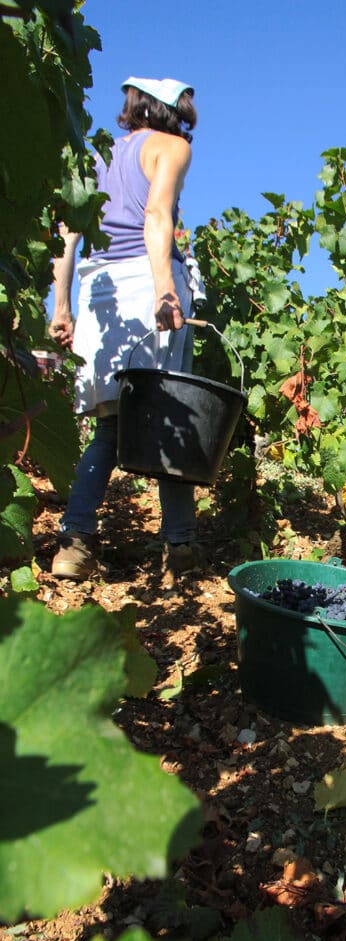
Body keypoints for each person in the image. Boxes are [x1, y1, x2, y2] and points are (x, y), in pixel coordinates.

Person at [49, 76, 200, 582]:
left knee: (110, 425)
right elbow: (156, 214)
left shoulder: (96, 155)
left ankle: (74, 542)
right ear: (170, 110)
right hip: (144, 280)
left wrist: (61, 308)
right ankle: (179, 549)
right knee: (170, 418)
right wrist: (164, 288)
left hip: (97, 292)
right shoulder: (171, 147)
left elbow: (67, 238)